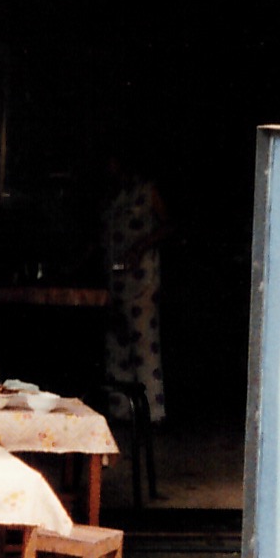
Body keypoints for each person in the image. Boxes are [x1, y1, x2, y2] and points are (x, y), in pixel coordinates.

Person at [103, 149, 171, 425]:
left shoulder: (147, 191)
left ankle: (152, 414)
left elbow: (169, 225)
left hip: (142, 279)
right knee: (116, 344)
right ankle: (121, 412)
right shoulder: (114, 196)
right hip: (115, 278)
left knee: (144, 343)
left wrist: (140, 247)